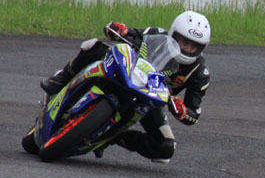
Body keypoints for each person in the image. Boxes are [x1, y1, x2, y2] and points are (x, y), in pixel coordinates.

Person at [39, 10, 212, 163]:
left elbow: (193, 113)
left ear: (202, 48)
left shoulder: (200, 73)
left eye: (193, 46)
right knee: (94, 46)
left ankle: (114, 137)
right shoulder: (157, 34)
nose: (187, 48)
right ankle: (62, 79)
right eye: (183, 41)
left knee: (166, 148)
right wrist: (119, 29)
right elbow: (131, 33)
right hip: (128, 73)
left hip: (150, 100)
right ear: (173, 33)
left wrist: (182, 111)